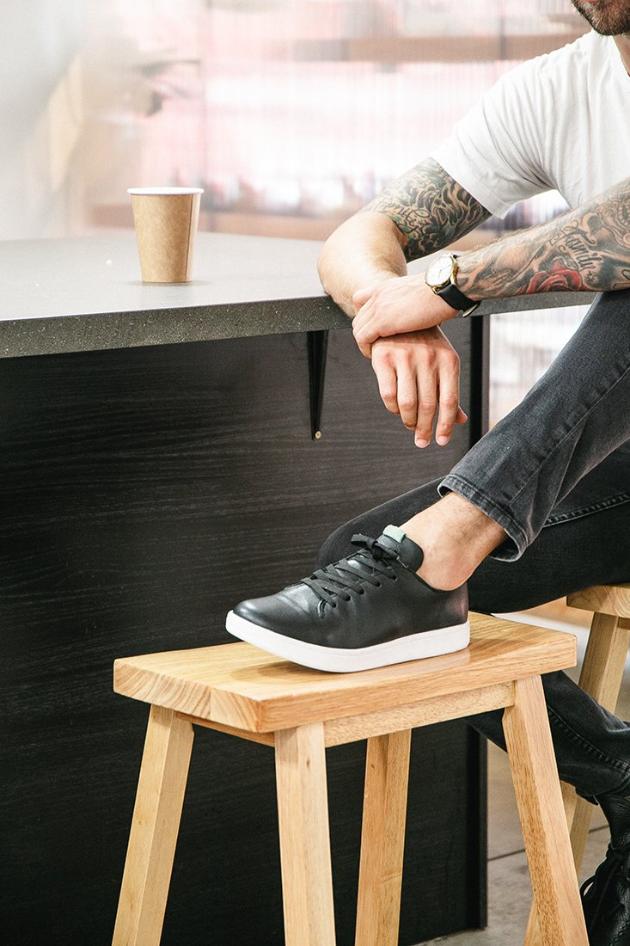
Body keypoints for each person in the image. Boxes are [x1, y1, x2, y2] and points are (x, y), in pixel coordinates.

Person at [226, 3, 630, 940]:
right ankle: (619, 772)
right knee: (372, 569)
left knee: (414, 566)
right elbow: (361, 233)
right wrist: (386, 302)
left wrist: (450, 280)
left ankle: (445, 542)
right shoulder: (561, 86)